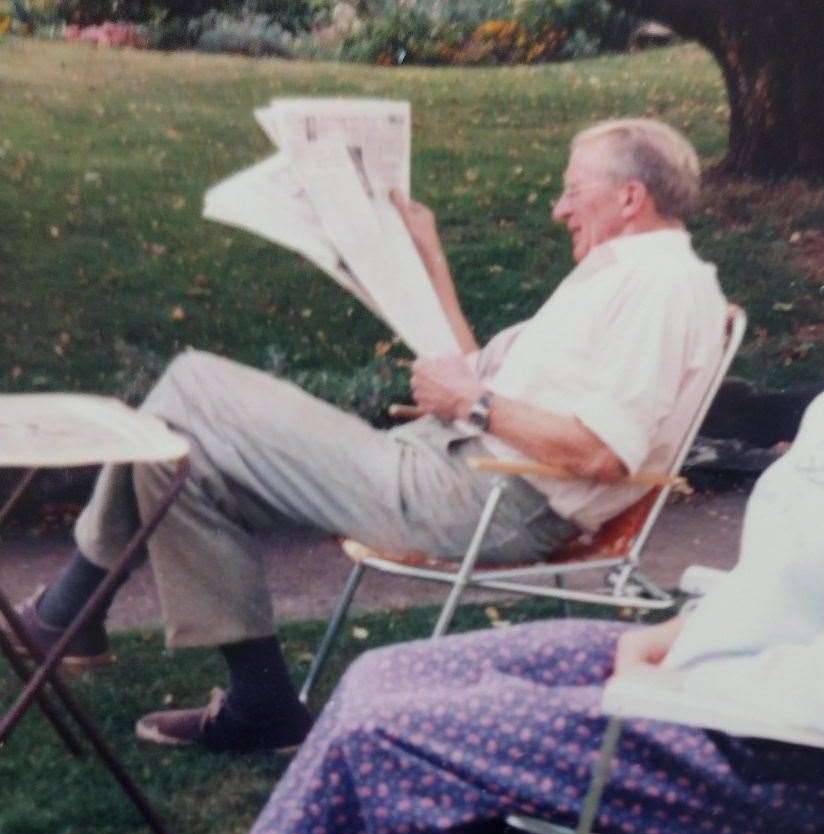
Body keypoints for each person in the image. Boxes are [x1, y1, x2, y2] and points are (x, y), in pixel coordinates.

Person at [180, 172, 824, 834]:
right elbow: (782, 587)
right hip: (723, 687)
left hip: (784, 760)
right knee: (381, 679)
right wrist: (672, 636)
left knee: (396, 741)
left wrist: (670, 679)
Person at [9, 118, 728, 753]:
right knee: (177, 462)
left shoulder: (659, 288)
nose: (558, 207)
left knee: (191, 386)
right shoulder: (619, 277)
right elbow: (472, 372)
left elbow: (602, 453)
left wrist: (474, 405)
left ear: (631, 198)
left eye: (574, 190)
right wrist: (426, 253)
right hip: (457, 471)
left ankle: (68, 611)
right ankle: (259, 703)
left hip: (480, 499)